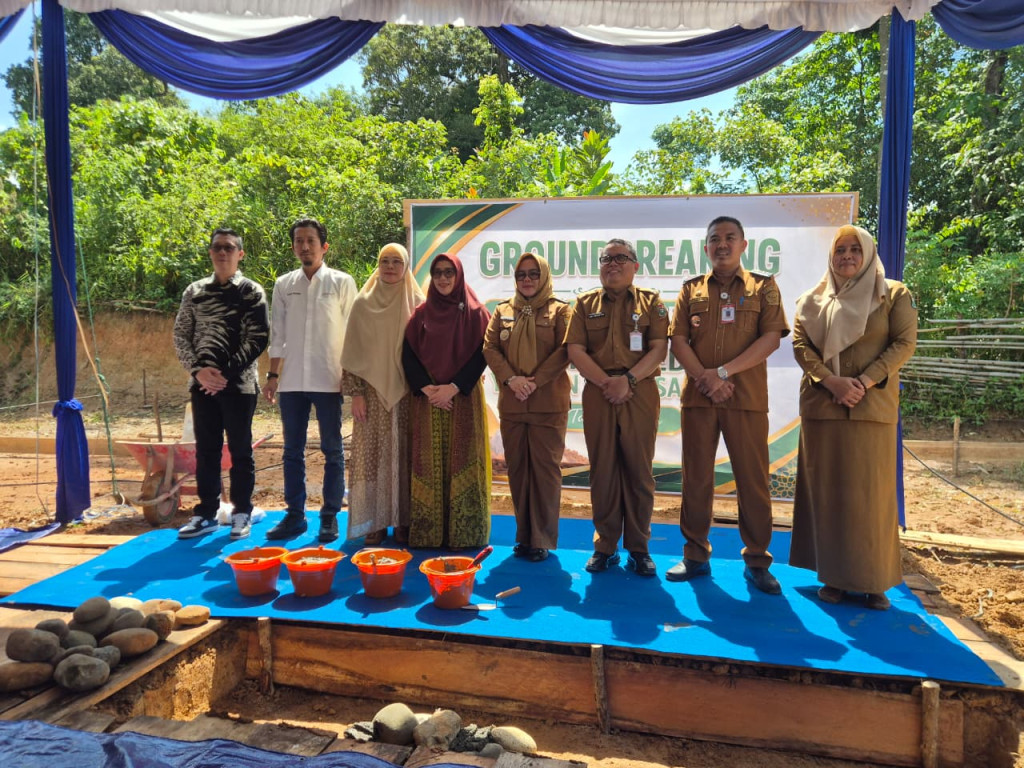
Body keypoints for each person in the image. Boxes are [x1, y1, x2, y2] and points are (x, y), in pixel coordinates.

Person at [789, 225, 917, 611]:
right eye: (840, 249)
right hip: (823, 408)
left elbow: (904, 343)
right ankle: (833, 579)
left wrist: (862, 381)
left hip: (870, 408)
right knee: (828, 495)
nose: (847, 255)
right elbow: (800, 344)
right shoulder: (812, 299)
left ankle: (874, 581)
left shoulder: (893, 293)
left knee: (871, 498)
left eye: (854, 249)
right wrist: (831, 382)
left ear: (868, 253)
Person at [667, 216, 789, 594]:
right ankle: (695, 556)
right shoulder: (690, 290)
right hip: (699, 401)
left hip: (746, 400)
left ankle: (756, 559)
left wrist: (722, 372)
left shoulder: (764, 287)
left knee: (752, 481)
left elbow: (771, 338)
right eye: (714, 239)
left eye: (729, 238)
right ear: (706, 248)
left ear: (743, 245)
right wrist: (706, 379)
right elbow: (679, 340)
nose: (722, 244)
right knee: (696, 479)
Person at [565, 239, 669, 577]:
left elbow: (658, 348)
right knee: (603, 471)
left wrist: (628, 380)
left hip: (639, 390)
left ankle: (639, 548)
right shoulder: (584, 304)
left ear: (635, 266)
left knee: (639, 471)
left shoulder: (651, 302)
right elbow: (576, 350)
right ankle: (605, 546)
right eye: (606, 258)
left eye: (621, 258)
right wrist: (606, 382)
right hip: (599, 391)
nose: (612, 264)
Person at [262, 218, 357, 542]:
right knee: (292, 451)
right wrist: (273, 376)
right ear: (293, 247)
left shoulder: (342, 282)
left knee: (332, 449)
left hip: (330, 378)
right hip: (291, 382)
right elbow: (278, 335)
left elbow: (353, 332)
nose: (305, 247)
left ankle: (329, 516)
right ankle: (295, 516)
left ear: (324, 246)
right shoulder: (283, 284)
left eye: (311, 241)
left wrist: (350, 375)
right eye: (299, 241)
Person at [173, 228, 269, 540]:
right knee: (206, 451)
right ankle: (206, 513)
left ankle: (242, 512)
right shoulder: (194, 291)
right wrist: (200, 371)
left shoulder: (251, 292)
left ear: (240, 254)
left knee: (240, 451)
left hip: (239, 386)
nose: (222, 252)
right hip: (202, 386)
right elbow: (181, 335)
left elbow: (258, 338)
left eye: (229, 248)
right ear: (211, 252)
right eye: (217, 247)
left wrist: (225, 373)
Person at [483, 252, 571, 562]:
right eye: (521, 274)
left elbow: (566, 351)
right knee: (519, 471)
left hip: (548, 405)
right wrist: (511, 379)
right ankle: (524, 536)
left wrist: (534, 382)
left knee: (545, 473)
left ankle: (542, 539)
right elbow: (490, 347)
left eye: (534, 273)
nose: (528, 279)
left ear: (544, 275)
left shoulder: (560, 311)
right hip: (513, 405)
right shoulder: (504, 310)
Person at [402, 253, 492, 549]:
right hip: (429, 402)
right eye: (437, 272)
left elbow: (483, 354)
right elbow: (409, 355)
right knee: (428, 463)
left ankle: (465, 534)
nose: (442, 278)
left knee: (464, 458)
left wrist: (454, 387)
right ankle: (429, 533)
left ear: (459, 276)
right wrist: (428, 389)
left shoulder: (477, 313)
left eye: (448, 273)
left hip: (462, 399)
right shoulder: (421, 314)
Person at [341, 244, 424, 545]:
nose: (390, 267)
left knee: (407, 454)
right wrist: (356, 394)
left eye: (396, 261)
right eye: (384, 261)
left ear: (405, 266)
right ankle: (373, 522)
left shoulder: (418, 302)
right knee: (373, 457)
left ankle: (404, 520)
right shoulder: (363, 303)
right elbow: (352, 353)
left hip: (409, 393)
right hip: (372, 394)